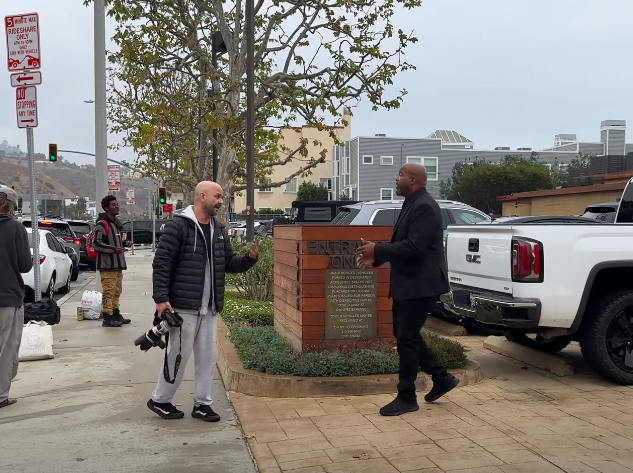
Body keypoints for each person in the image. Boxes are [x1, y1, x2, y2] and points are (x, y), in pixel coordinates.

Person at [148, 181, 259, 422]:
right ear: (201, 196)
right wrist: (161, 299)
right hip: (183, 307)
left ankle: (202, 404)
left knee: (207, 358)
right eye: (217, 197)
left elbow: (228, 263)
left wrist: (249, 259)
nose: (221, 201)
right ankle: (160, 400)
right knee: (177, 355)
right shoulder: (179, 226)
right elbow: (162, 263)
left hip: (209, 309)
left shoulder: (218, 229)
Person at [357, 164, 459, 416]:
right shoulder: (413, 202)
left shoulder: (424, 206)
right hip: (411, 284)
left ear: (412, 179)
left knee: (407, 338)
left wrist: (377, 250)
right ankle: (441, 378)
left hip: (421, 286)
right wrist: (377, 256)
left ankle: (407, 396)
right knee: (407, 336)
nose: (396, 178)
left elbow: (414, 247)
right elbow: (403, 244)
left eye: (400, 174)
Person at [0, 187, 32, 409]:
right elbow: (25, 265)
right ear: (10, 205)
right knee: (6, 348)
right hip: (7, 297)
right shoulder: (14, 228)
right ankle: (1, 395)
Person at [93, 195, 129, 327]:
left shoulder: (116, 224)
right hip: (107, 266)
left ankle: (115, 313)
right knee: (108, 291)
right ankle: (108, 317)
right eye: (113, 205)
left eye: (117, 204)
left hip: (118, 264)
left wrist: (124, 244)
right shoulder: (102, 224)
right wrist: (114, 249)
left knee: (116, 291)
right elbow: (96, 243)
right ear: (107, 208)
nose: (117, 206)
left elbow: (116, 242)